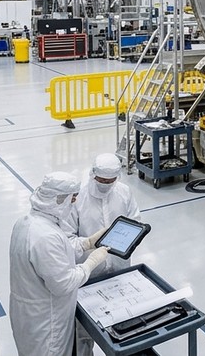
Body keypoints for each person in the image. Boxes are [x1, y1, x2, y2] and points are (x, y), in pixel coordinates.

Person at [9, 172, 110, 356]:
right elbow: (64, 284)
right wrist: (91, 262)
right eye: (72, 200)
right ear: (59, 200)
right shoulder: (46, 236)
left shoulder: (28, 223)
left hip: (28, 313)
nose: (73, 205)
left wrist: (86, 243)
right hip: (47, 321)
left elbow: (54, 254)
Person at [68, 153, 137, 356]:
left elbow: (135, 219)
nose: (106, 184)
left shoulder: (124, 192)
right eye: (101, 181)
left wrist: (128, 239)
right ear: (92, 175)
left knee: (122, 322)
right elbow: (67, 238)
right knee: (83, 331)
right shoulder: (78, 199)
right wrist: (89, 245)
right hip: (88, 272)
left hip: (119, 269)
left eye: (110, 181)